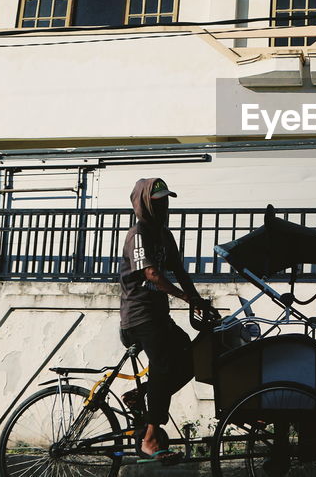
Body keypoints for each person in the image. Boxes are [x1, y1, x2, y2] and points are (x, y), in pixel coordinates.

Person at [118, 177, 218, 463]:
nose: (165, 208)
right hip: (138, 317)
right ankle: (149, 439)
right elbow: (152, 275)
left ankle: (142, 396)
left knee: (190, 356)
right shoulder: (138, 234)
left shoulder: (164, 235)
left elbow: (180, 271)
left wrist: (197, 299)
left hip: (158, 317)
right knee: (163, 364)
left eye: (167, 202)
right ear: (146, 204)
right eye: (159, 202)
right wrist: (186, 299)